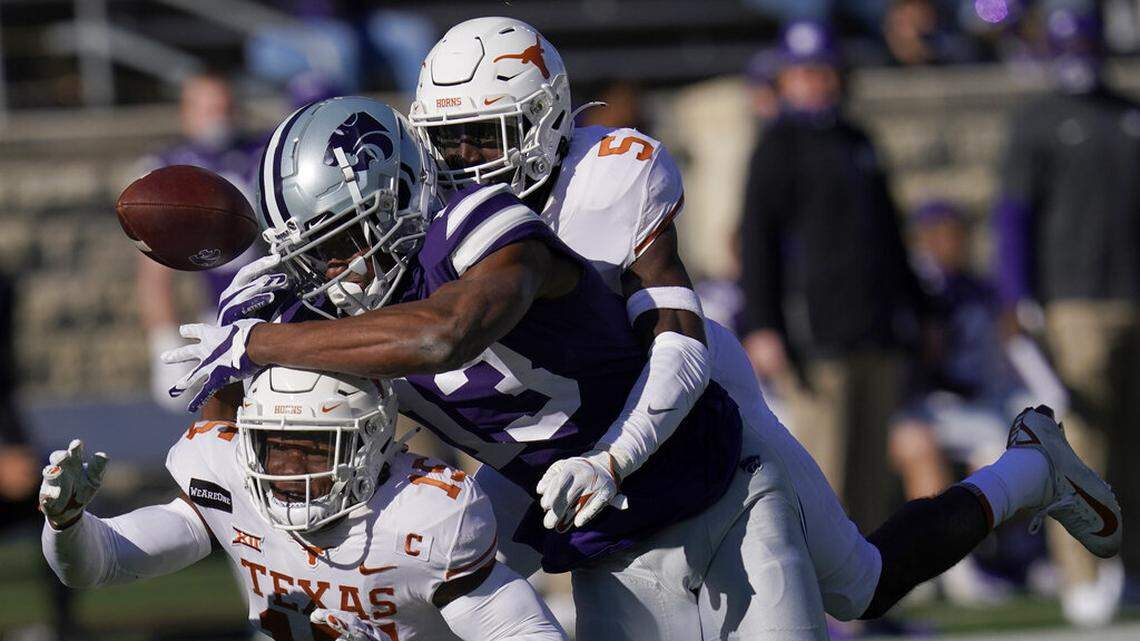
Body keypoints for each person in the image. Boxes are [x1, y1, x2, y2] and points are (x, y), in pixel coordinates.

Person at [164, 93, 1119, 640]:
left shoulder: (487, 227)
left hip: (685, 441)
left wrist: (254, 340)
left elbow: (440, 335)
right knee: (406, 578)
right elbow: (271, 414)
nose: (334, 271)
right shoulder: (314, 295)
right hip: (564, 497)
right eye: (314, 250)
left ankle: (1027, 469)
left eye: (345, 241)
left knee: (858, 584)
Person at [39, 366, 566, 641]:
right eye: (274, 444)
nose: (289, 468)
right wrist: (66, 525)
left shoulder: (426, 516)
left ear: (372, 439)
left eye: (314, 446)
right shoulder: (227, 475)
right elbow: (101, 563)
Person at [738, 20, 926, 531]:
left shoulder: (856, 139)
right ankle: (829, 606)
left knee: (871, 476)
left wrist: (918, 307)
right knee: (828, 473)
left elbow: (890, 236)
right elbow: (758, 242)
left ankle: (867, 602)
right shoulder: (778, 144)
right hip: (817, 335)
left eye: (823, 70)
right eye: (804, 72)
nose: (816, 81)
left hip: (875, 326)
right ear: (786, 78)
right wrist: (764, 324)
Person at [994, 3, 1140, 626]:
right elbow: (1013, 217)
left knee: (1133, 443)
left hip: (1133, 293)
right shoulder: (1038, 120)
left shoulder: (1129, 115)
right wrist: (1016, 295)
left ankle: (1127, 566)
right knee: (1080, 443)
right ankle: (1081, 571)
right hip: (1072, 302)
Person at [136, 71, 264, 411]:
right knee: (222, 423)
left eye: (223, 108)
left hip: (272, 308)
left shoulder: (261, 153)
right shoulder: (168, 169)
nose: (217, 118)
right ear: (186, 113)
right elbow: (154, 271)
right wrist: (161, 342)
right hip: (215, 317)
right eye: (208, 109)